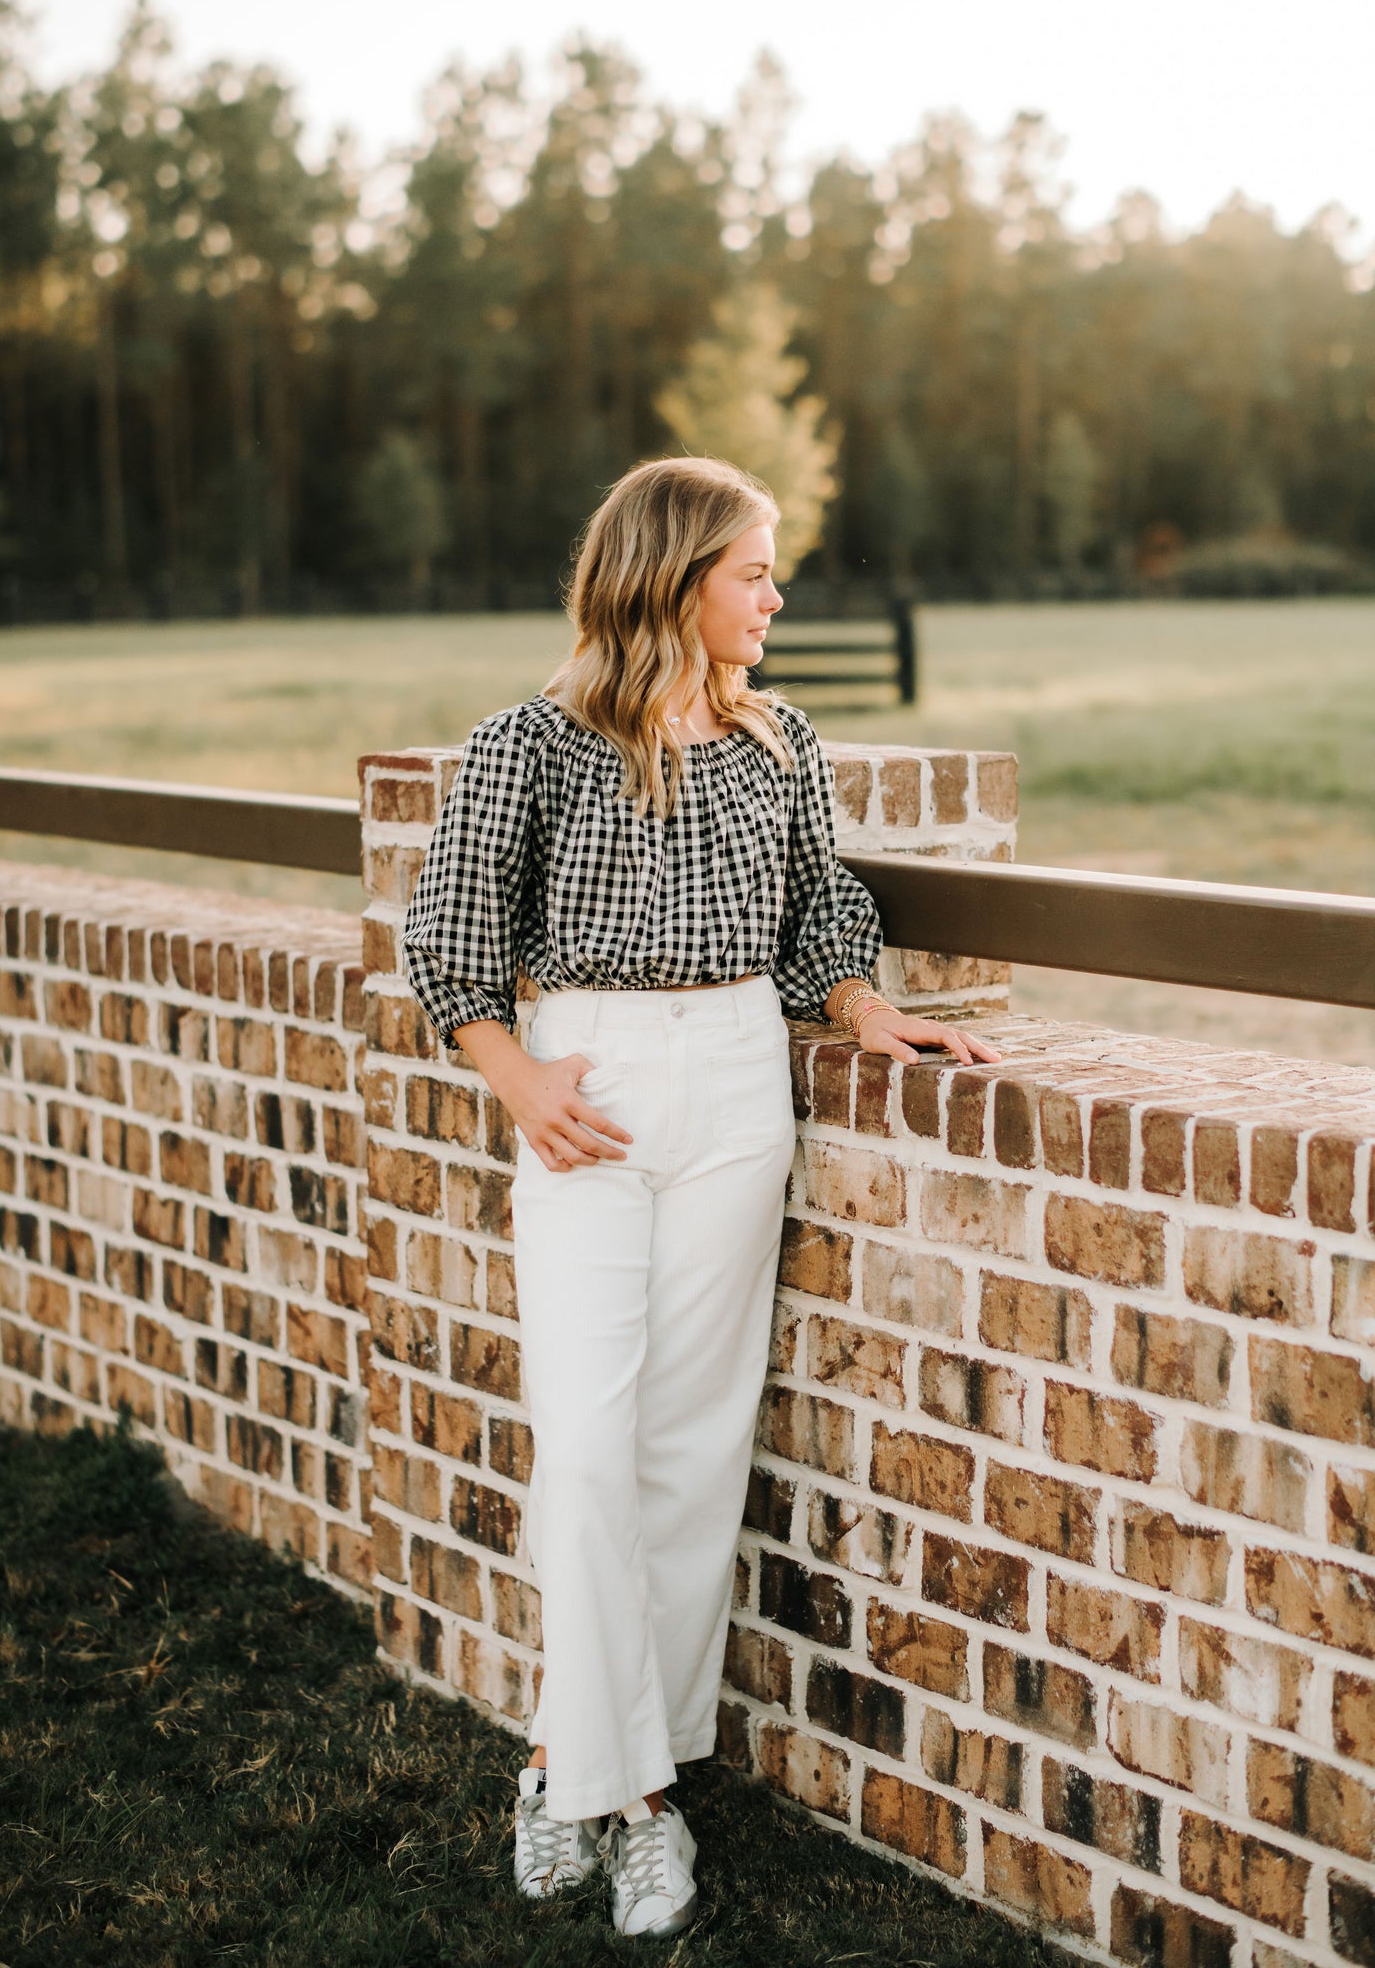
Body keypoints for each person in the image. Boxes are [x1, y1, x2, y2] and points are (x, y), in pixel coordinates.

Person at [401, 455, 1002, 1939]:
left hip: (739, 1078)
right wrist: (520, 1080)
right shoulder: (524, 749)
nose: (777, 596)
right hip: (587, 1090)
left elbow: (819, 916)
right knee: (594, 1450)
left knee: (690, 1450)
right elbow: (449, 944)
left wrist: (866, 1017)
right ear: (672, 580)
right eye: (755, 571)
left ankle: (599, 1778)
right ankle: (605, 1785)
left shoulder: (778, 741)